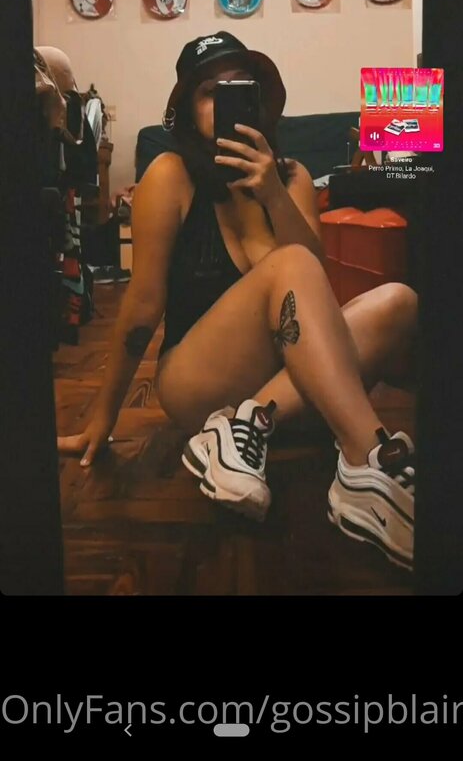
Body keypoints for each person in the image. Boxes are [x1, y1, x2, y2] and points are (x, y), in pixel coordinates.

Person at [58, 32, 417, 570]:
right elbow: (142, 306)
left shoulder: (291, 176)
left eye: (239, 86)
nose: (225, 100)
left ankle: (249, 423)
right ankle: (369, 458)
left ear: (260, 100)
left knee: (399, 302)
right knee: (291, 263)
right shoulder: (170, 175)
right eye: (210, 91)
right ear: (185, 109)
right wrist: (103, 417)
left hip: (289, 381)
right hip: (195, 379)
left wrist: (272, 192)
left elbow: (315, 291)